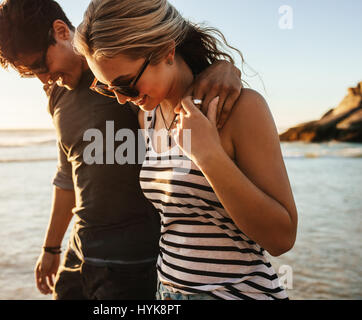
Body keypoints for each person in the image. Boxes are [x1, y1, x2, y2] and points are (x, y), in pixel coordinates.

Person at [0, 0, 243, 299]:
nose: (44, 78)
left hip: (135, 261)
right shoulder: (56, 94)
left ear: (60, 31)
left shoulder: (130, 82)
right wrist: (50, 246)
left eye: (41, 66)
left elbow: (171, 63)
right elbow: (67, 174)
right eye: (32, 74)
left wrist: (224, 67)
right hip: (81, 251)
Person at [74, 0, 298, 300]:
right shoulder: (148, 115)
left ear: (167, 50)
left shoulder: (241, 109)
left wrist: (209, 156)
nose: (120, 100)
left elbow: (282, 237)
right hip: (167, 292)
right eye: (107, 88)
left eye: (125, 85)